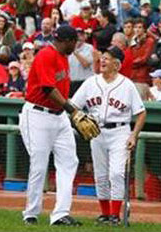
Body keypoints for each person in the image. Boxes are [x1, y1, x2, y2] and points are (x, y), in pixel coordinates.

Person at [71, 46, 147, 226]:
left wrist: (133, 136)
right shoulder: (91, 82)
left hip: (120, 131)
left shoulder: (127, 85)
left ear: (117, 64)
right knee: (101, 175)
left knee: (116, 173)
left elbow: (141, 113)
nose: (103, 61)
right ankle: (105, 214)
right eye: (102, 57)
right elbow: (73, 104)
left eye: (108, 58)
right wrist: (78, 117)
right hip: (96, 132)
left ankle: (115, 215)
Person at [19, 25, 83, 226]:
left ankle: (60, 214)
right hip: (38, 114)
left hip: (59, 116)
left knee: (69, 161)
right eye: (75, 41)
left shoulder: (63, 56)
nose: (76, 45)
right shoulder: (47, 55)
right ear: (67, 41)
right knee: (39, 163)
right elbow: (47, 89)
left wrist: (67, 110)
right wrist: (72, 110)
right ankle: (31, 212)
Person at [130, 18, 155, 100]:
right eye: (136, 27)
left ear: (144, 29)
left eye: (140, 27)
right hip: (132, 76)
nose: (137, 29)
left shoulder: (149, 41)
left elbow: (145, 58)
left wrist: (130, 63)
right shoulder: (133, 41)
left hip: (143, 77)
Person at [68, 28, 94, 96]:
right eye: (76, 36)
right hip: (71, 83)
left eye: (81, 35)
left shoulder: (89, 48)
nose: (78, 38)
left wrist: (74, 51)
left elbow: (86, 64)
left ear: (84, 37)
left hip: (85, 82)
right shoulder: (67, 48)